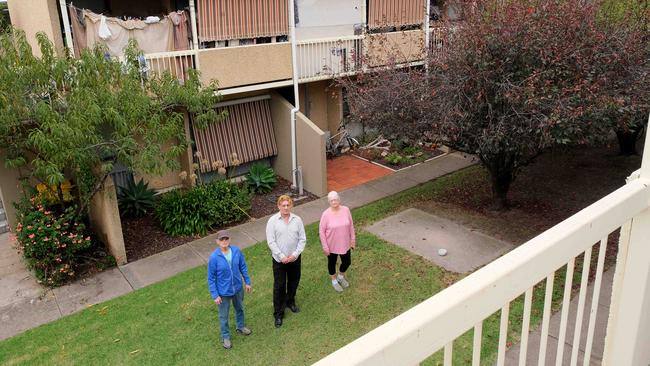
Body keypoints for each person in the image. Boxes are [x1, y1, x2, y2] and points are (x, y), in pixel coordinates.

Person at [266, 194, 306, 328]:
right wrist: (281, 256)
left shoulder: (297, 220)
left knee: (294, 282)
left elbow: (302, 239)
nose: (286, 207)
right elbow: (271, 241)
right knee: (279, 286)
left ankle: (290, 302)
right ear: (278, 206)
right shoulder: (272, 221)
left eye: (288, 205)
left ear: (291, 206)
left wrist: (295, 254)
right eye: (283, 205)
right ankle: (278, 314)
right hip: (279, 260)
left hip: (294, 258)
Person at [207, 230, 252, 349]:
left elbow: (243, 266)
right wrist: (215, 295)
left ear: (229, 240)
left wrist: (247, 281)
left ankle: (240, 326)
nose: (224, 241)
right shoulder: (214, 257)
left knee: (240, 309)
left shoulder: (236, 251)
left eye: (226, 239)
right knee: (224, 316)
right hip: (223, 293)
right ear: (217, 242)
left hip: (237, 288)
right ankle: (225, 336)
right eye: (221, 239)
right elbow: (211, 278)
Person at [319, 191, 356, 292]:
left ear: (339, 199)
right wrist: (325, 246)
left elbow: (351, 225)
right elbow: (321, 232)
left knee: (347, 262)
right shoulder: (325, 214)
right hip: (332, 244)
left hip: (345, 242)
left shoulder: (346, 210)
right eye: (331, 200)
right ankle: (334, 281)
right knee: (332, 262)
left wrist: (353, 239)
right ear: (328, 202)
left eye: (335, 199)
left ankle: (340, 276)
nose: (334, 202)